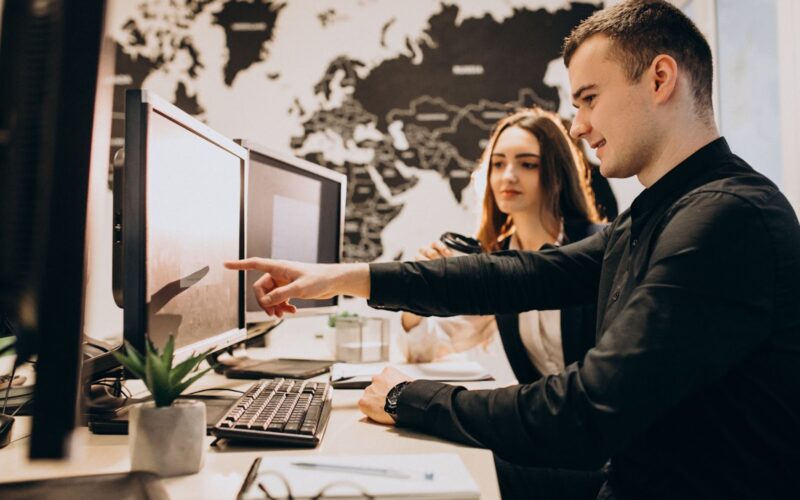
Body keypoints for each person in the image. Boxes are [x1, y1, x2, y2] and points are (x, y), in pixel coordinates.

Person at [225, 1, 800, 498]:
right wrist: (339, 277)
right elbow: (513, 276)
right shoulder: (658, 213)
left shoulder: (726, 219)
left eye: (590, 99)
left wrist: (410, 397)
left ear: (659, 79)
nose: (578, 126)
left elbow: (587, 410)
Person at [402, 107, 604, 391]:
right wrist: (417, 293)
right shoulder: (498, 263)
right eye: (498, 164)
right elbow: (426, 350)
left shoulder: (597, 249)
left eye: (527, 164)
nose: (508, 175)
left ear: (557, 173)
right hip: (538, 425)